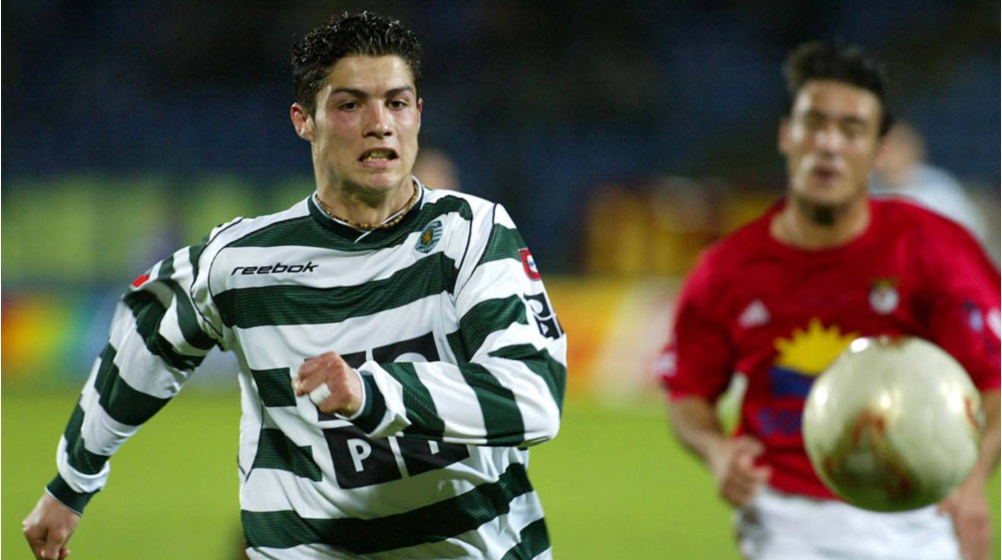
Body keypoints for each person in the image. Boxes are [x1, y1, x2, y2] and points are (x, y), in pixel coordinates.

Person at [22, 12, 566, 560]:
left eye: (397, 103)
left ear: (418, 115)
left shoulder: (471, 234)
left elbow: (533, 397)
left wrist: (372, 393)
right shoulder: (242, 261)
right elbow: (144, 339)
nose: (380, 123)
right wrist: (73, 482)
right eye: (351, 105)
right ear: (304, 120)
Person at [656, 41, 999, 560]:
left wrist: (972, 483)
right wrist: (717, 449)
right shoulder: (727, 268)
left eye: (851, 130)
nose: (829, 144)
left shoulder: (935, 250)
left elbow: (994, 381)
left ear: (880, 152)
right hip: (782, 525)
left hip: (919, 520)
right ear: (785, 135)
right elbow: (688, 391)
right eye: (813, 123)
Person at [871, 120, 988, 242]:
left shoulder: (938, 190)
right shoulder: (865, 190)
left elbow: (970, 233)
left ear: (910, 150)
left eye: (894, 150)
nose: (887, 159)